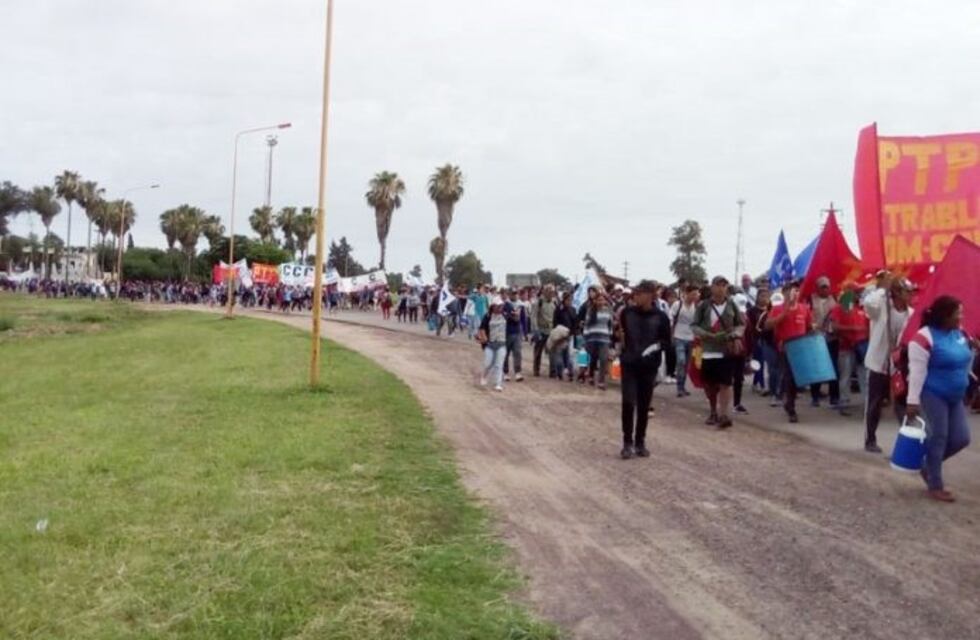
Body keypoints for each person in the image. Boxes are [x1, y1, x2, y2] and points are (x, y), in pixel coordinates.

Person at [907, 296, 975, 502]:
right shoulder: (923, 338)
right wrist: (912, 401)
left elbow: (964, 357)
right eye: (958, 313)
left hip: (956, 396)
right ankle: (935, 485)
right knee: (939, 437)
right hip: (933, 394)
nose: (961, 317)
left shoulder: (959, 333)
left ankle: (928, 467)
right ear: (945, 316)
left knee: (962, 438)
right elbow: (917, 372)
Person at [617, 280, 671, 459]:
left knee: (643, 406)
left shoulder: (661, 317)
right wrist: (617, 339)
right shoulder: (627, 313)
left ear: (650, 295)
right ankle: (627, 443)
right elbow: (618, 335)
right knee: (628, 402)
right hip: (629, 364)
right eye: (635, 293)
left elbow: (666, 342)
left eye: (639, 293)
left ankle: (640, 442)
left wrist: (655, 348)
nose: (635, 296)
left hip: (649, 367)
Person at [862, 275, 912, 453]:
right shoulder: (881, 307)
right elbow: (867, 303)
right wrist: (883, 289)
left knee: (902, 403)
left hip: (897, 367)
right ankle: (870, 439)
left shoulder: (910, 314)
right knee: (874, 404)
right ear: (897, 293)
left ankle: (908, 440)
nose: (910, 295)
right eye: (907, 292)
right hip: (878, 364)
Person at [692, 275, 745, 429]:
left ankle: (724, 414)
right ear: (712, 287)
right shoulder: (704, 306)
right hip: (708, 349)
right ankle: (713, 410)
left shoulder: (731, 304)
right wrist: (705, 334)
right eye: (718, 285)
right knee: (709, 384)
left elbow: (740, 324)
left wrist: (736, 335)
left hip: (725, 349)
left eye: (724, 285)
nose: (721, 288)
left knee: (725, 383)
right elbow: (694, 325)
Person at [766, 280, 812, 423]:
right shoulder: (778, 308)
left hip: (801, 349)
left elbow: (809, 326)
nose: (795, 293)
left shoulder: (804, 308)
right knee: (790, 378)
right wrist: (784, 313)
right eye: (792, 290)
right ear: (785, 293)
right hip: (785, 348)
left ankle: (788, 400)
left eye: (797, 291)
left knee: (798, 380)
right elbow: (768, 325)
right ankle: (791, 408)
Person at [830, 284, 869, 412]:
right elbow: (834, 327)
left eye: (859, 291)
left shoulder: (860, 308)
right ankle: (844, 401)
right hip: (846, 347)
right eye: (855, 291)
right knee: (845, 375)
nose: (858, 294)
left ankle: (868, 403)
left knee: (863, 374)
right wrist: (853, 330)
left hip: (861, 346)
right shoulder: (839, 308)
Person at [808, 276, 840, 408]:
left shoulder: (834, 300)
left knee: (833, 368)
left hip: (831, 338)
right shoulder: (811, 300)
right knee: (817, 369)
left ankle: (834, 397)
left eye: (827, 287)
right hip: (816, 338)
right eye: (823, 287)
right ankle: (815, 396)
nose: (825, 289)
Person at [670, 285, 699, 397]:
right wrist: (671, 334)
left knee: (687, 364)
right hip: (679, 336)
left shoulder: (696, 306)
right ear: (687, 293)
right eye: (693, 294)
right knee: (681, 361)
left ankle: (682, 387)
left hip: (691, 338)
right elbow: (671, 318)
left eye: (696, 294)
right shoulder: (678, 304)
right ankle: (679, 387)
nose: (695, 296)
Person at [583, 294, 614, 389]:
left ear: (605, 301)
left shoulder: (608, 311)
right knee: (593, 359)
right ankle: (591, 376)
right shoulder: (590, 311)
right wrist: (586, 336)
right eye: (598, 300)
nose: (600, 302)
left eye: (602, 300)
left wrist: (610, 334)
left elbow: (610, 323)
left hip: (604, 338)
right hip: (592, 338)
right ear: (595, 301)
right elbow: (587, 324)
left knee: (603, 359)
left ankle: (601, 381)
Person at [478, 297, 508, 391]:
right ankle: (484, 376)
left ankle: (498, 383)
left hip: (501, 343)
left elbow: (514, 321)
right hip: (490, 344)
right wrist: (484, 337)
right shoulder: (487, 316)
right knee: (488, 363)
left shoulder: (505, 315)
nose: (500, 308)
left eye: (501, 306)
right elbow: (482, 328)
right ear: (493, 306)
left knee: (499, 364)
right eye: (498, 306)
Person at [530, 285, 558, 377]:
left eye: (552, 292)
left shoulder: (555, 302)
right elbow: (533, 316)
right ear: (544, 292)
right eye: (549, 291)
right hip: (541, 330)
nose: (551, 294)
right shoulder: (538, 302)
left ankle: (553, 372)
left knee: (552, 352)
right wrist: (535, 330)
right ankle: (536, 370)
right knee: (538, 351)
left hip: (551, 330)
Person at [552, 292, 577, 380]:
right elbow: (555, 323)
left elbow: (575, 323)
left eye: (570, 300)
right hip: (560, 336)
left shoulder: (573, 310)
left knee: (570, 355)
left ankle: (570, 373)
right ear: (564, 300)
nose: (569, 302)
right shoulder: (558, 309)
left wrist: (572, 332)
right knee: (559, 355)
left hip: (570, 336)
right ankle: (559, 373)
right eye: (567, 300)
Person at [502, 288, 525, 382]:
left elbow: (524, 320)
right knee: (506, 353)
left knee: (517, 352)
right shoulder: (505, 305)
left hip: (518, 332)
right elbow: (503, 316)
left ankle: (518, 372)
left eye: (516, 293)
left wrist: (525, 332)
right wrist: (512, 316)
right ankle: (505, 372)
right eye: (512, 293)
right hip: (507, 332)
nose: (514, 295)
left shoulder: (521, 305)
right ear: (509, 294)